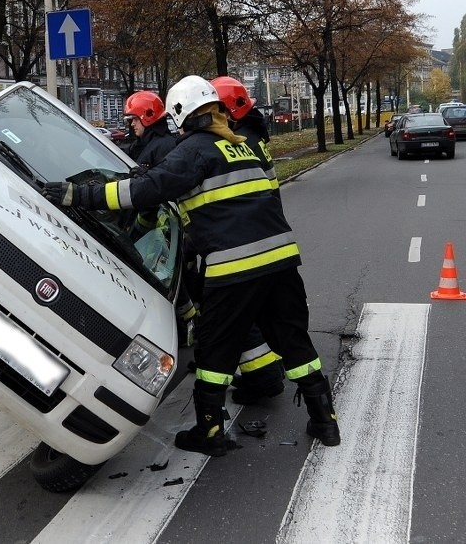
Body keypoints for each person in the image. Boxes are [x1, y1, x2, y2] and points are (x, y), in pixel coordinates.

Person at [43, 75, 340, 456]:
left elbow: (143, 192)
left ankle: (210, 432)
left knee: (215, 349)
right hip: (281, 260)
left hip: (234, 267)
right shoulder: (246, 146)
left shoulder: (194, 150)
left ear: (180, 113)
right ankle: (325, 421)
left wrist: (78, 194)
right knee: (295, 342)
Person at [210, 75, 285, 404]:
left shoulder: (243, 141)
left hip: (248, 234)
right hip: (268, 229)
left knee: (242, 310)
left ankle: (265, 373)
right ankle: (272, 362)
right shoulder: (256, 134)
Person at [123, 91, 196, 347]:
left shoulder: (163, 146)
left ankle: (190, 330)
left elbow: (159, 187)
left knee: (174, 283)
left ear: (147, 116)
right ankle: (190, 328)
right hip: (158, 226)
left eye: (134, 119)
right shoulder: (146, 145)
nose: (131, 125)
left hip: (166, 228)